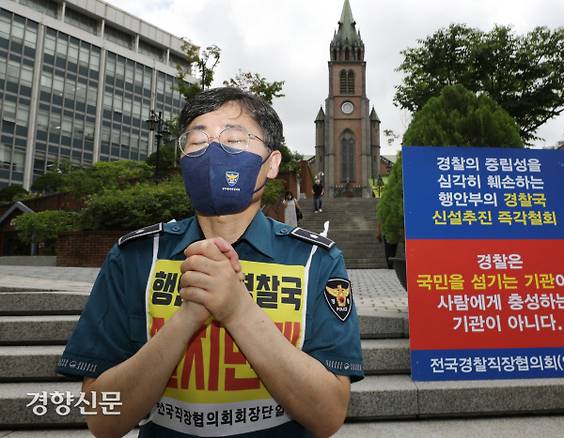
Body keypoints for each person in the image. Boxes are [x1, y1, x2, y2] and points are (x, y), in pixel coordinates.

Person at [56, 87, 363, 437]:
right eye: (198, 140)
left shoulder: (316, 260)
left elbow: (328, 416)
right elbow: (101, 418)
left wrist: (237, 310)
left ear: (273, 163)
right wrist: (187, 317)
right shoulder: (135, 256)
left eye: (233, 138)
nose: (214, 151)